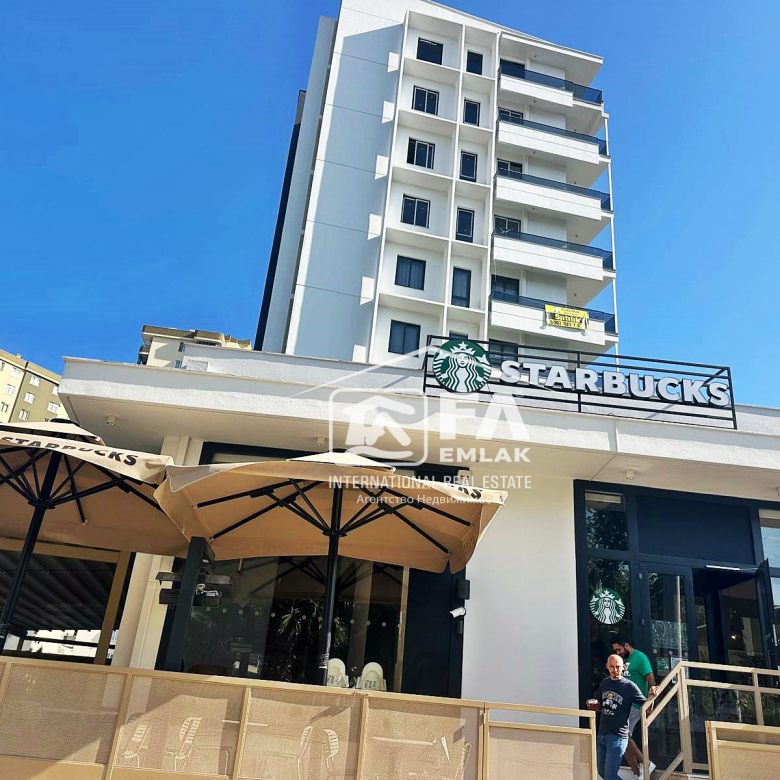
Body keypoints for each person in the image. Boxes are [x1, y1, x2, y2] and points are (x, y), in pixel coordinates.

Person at [588, 654, 646, 780]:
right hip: (602, 734)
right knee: (602, 772)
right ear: (607, 667)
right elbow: (602, 705)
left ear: (623, 667)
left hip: (618, 736)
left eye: (618, 667)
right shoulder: (604, 683)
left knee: (610, 776)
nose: (615, 670)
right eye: (612, 667)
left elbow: (646, 705)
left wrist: (653, 695)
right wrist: (595, 706)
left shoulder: (629, 686)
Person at [612, 635, 660, 778]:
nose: (618, 653)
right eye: (616, 651)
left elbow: (651, 680)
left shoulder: (640, 658)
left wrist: (650, 702)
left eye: (619, 649)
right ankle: (636, 773)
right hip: (622, 704)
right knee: (623, 740)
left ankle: (646, 763)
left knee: (622, 735)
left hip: (634, 704)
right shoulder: (623, 660)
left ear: (626, 645)